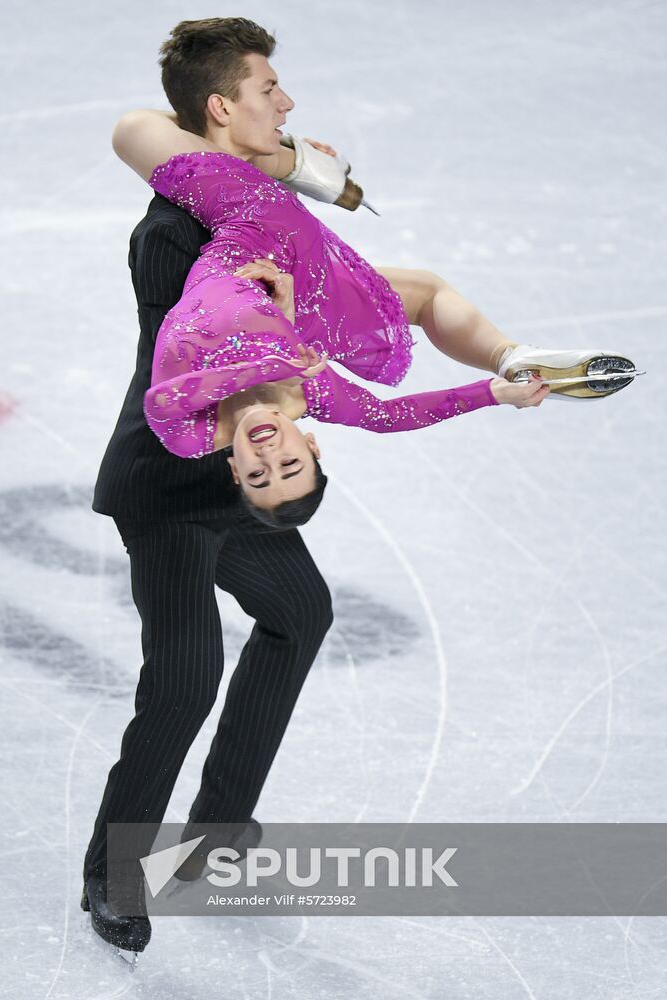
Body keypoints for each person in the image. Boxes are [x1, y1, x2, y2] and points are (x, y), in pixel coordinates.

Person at [109, 17, 639, 519]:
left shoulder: (188, 431)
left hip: (246, 258)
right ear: (310, 445)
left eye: (258, 476)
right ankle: (513, 358)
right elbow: (390, 418)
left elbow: (171, 390)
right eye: (269, 90)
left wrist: (282, 157)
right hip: (303, 289)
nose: (286, 103)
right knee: (426, 292)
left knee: (424, 291)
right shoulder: (309, 391)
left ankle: (305, 172)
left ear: (235, 473)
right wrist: (496, 393)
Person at [81, 153, 336, 958]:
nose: (287, 111)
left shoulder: (262, 225)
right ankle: (115, 876)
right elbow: (194, 353)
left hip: (239, 480)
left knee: (300, 611)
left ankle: (220, 828)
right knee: (187, 678)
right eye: (269, 96)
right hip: (165, 489)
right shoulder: (168, 237)